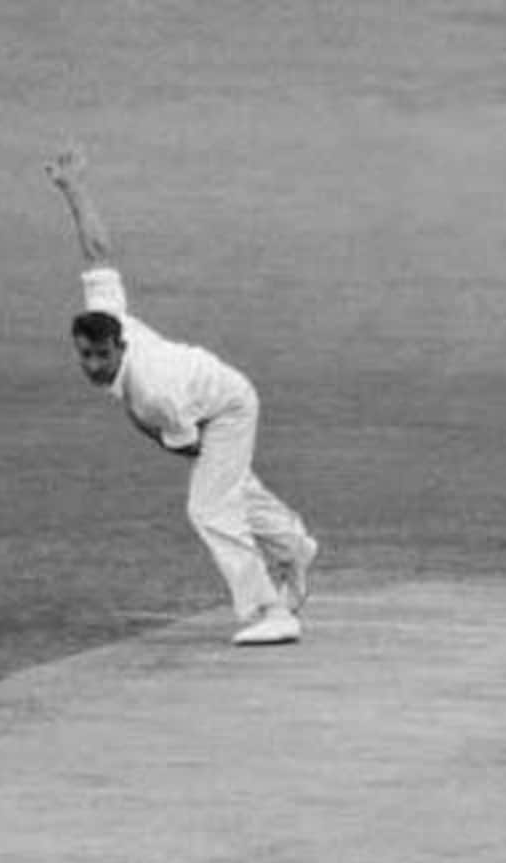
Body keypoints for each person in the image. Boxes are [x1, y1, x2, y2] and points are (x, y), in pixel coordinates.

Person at [45, 146, 317, 646]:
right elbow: (98, 251)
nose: (94, 365)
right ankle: (293, 546)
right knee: (227, 485)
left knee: (209, 506)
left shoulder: (153, 393)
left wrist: (209, 460)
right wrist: (72, 187)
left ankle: (270, 610)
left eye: (102, 355)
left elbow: (185, 442)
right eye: (85, 355)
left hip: (226, 406)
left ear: (120, 346)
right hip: (209, 394)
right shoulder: (108, 314)